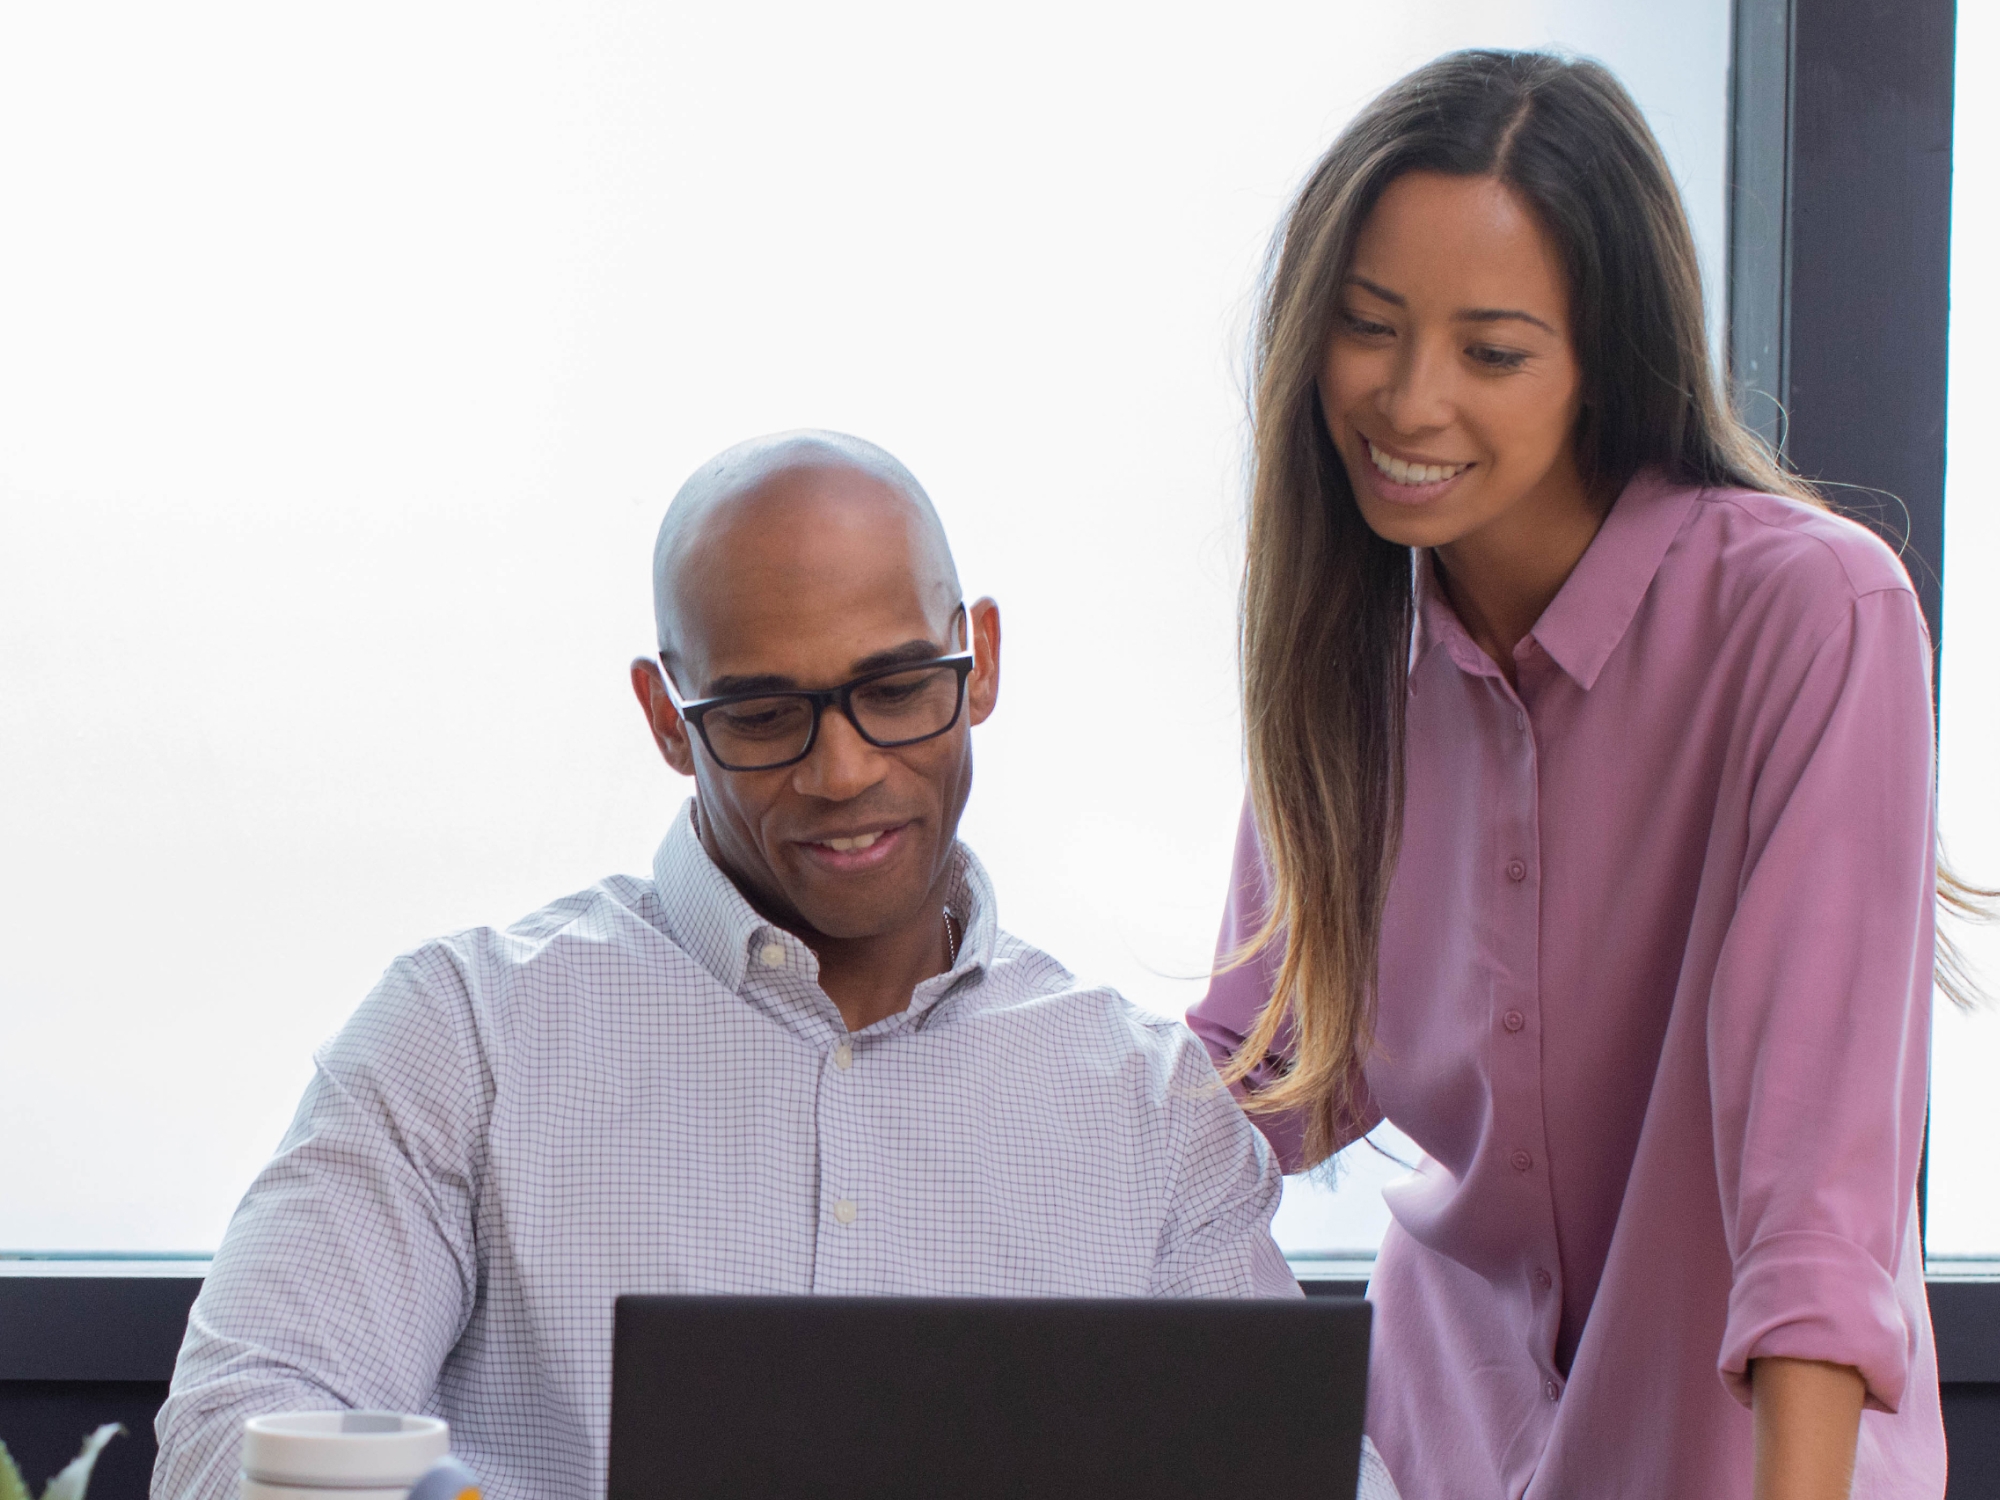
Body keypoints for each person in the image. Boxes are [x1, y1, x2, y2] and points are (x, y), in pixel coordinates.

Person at [153, 431, 1301, 1500]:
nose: (843, 771)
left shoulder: (1152, 1113)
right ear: (666, 718)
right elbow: (235, 1436)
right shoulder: (467, 1036)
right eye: (761, 716)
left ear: (980, 660)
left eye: (896, 690)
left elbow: (1300, 1471)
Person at [1188, 50, 1972, 1500]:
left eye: (1491, 351)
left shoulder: (1813, 618)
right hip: (1432, 1461)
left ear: (1605, 358)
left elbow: (1817, 1194)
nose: (1408, 402)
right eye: (1368, 329)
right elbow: (1259, 1092)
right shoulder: (1355, 662)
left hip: (1741, 1466)